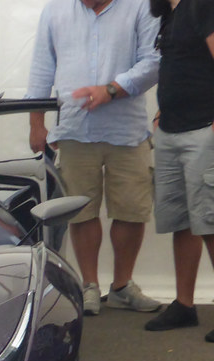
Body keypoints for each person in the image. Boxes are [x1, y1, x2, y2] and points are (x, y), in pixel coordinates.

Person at [27, 0, 162, 316]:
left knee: (131, 210)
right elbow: (42, 68)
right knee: (81, 211)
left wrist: (111, 89)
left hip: (127, 130)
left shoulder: (141, 7)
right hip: (74, 130)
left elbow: (154, 61)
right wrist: (36, 123)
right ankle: (90, 285)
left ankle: (122, 286)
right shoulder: (55, 11)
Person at [144, 0, 214, 339]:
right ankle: (184, 305)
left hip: (203, 129)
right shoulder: (167, 13)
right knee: (182, 221)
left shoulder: (202, 5)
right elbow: (178, 67)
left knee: (211, 220)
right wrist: (161, 111)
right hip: (171, 129)